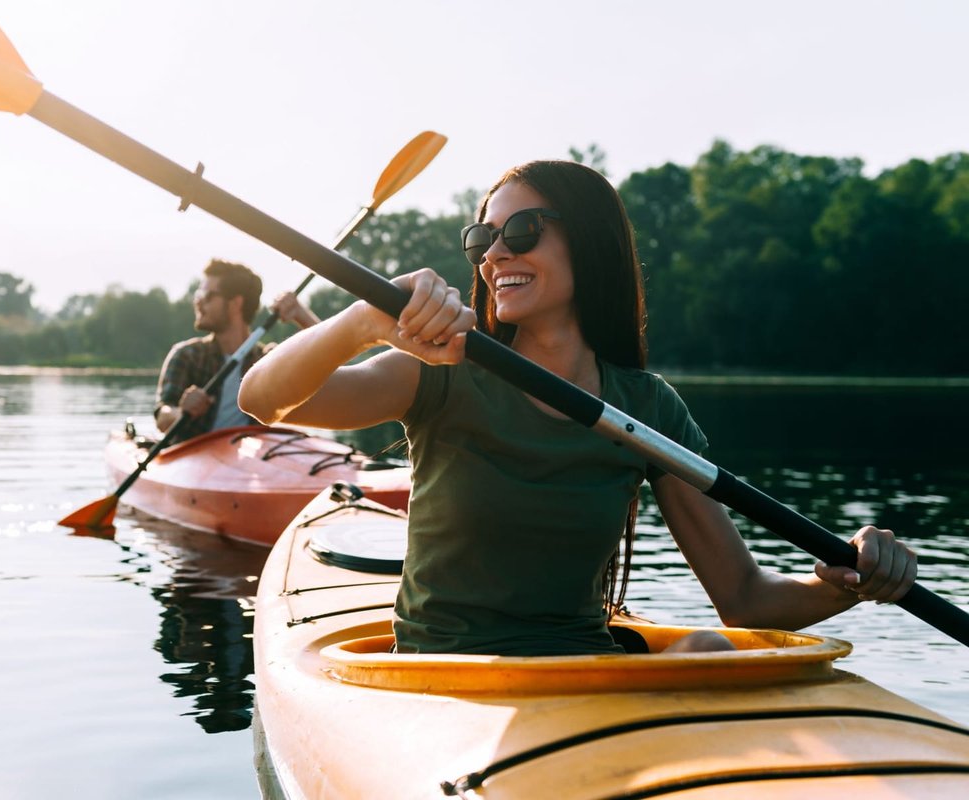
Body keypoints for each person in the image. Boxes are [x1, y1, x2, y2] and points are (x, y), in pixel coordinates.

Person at [238, 160, 917, 656]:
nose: (496, 253)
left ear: (588, 242)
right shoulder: (441, 371)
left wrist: (850, 580)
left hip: (583, 673)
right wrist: (362, 321)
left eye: (523, 230)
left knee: (708, 647)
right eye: (483, 241)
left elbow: (743, 598)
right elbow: (262, 399)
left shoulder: (648, 409)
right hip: (442, 678)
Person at [155, 258, 318, 444]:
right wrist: (181, 412)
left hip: (248, 461)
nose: (198, 303)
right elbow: (162, 418)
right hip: (192, 457)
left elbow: (329, 360)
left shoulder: (268, 360)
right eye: (198, 295)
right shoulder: (186, 355)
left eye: (207, 296)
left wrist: (300, 314)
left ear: (235, 304)